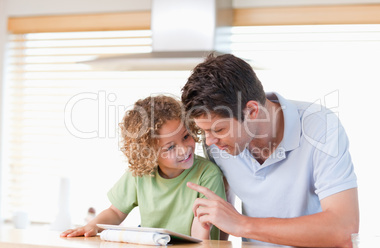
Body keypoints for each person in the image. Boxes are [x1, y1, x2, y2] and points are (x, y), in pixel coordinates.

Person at [181, 54, 359, 247]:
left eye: (219, 129)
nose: (209, 141)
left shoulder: (320, 126)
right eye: (203, 131)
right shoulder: (217, 144)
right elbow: (222, 215)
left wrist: (242, 224)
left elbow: (343, 228)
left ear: (252, 111)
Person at [60, 95, 226, 240]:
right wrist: (93, 226)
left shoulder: (207, 174)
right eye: (170, 147)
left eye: (185, 136)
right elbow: (116, 212)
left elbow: (201, 231)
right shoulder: (141, 173)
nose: (184, 149)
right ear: (149, 153)